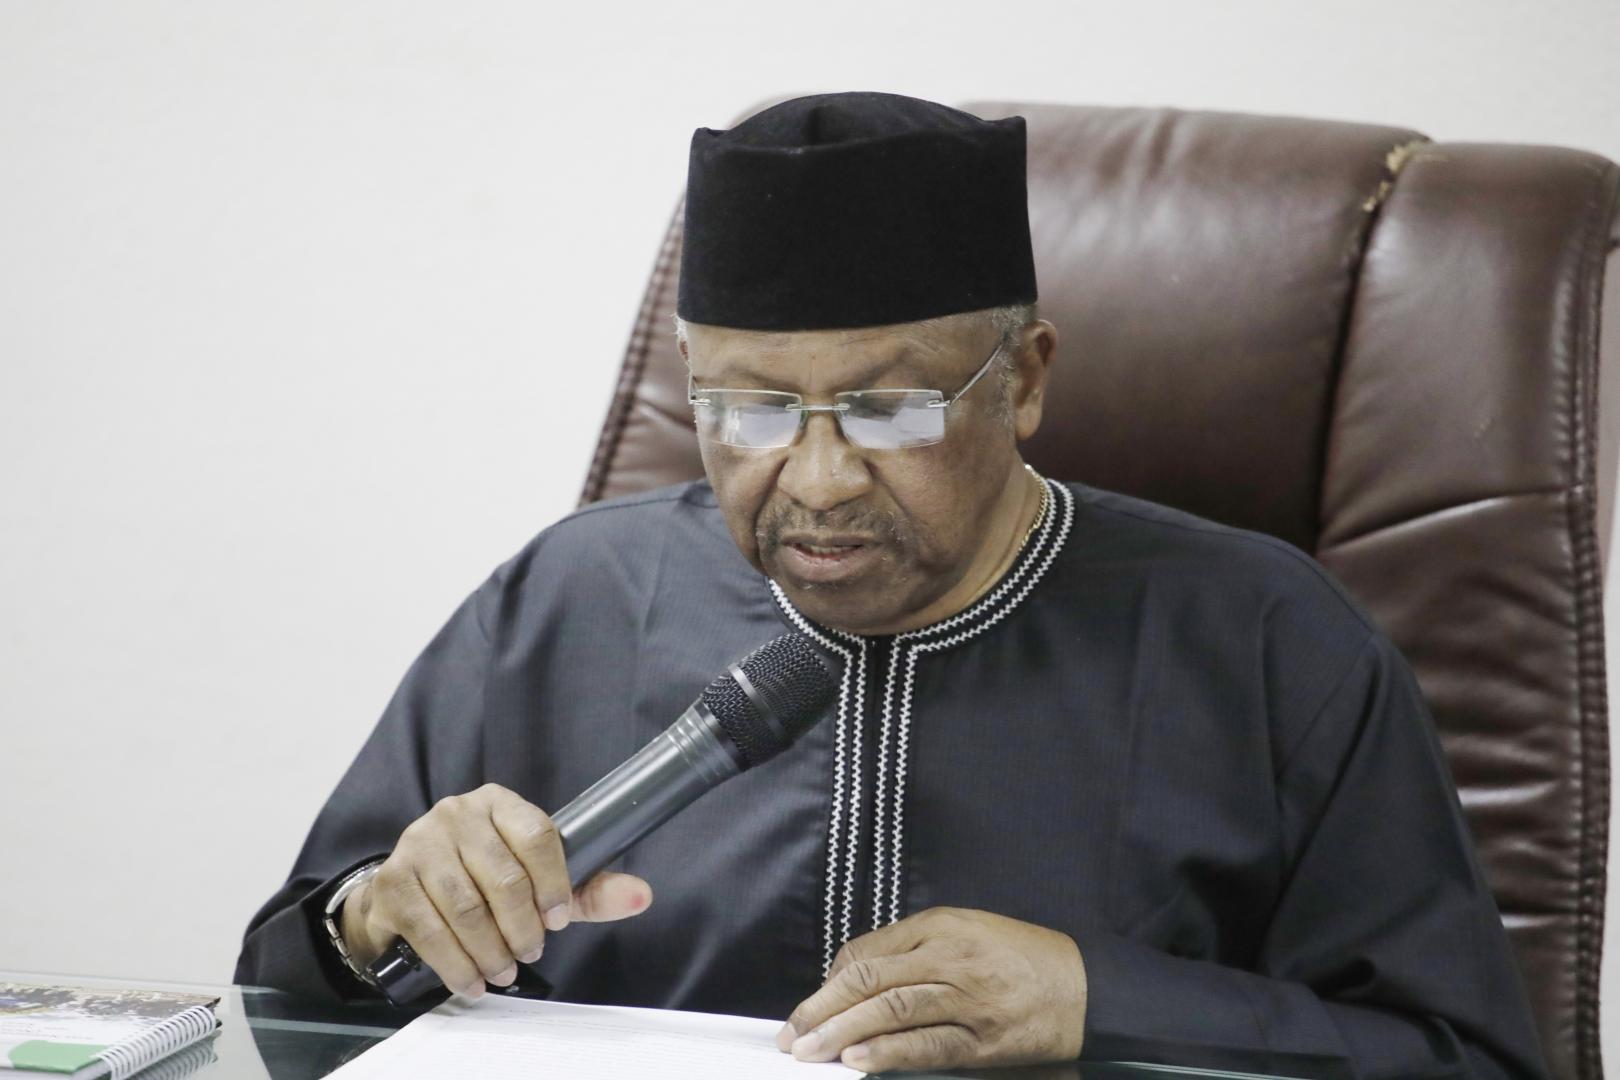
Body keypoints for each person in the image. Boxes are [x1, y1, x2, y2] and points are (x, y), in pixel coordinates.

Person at [236, 92, 1550, 1079]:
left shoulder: (1265, 638)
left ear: (1025, 378)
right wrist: (369, 922)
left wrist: (1100, 1001)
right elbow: (287, 999)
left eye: (888, 407)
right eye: (747, 412)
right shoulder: (568, 598)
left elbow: (1466, 1057)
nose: (813, 480)